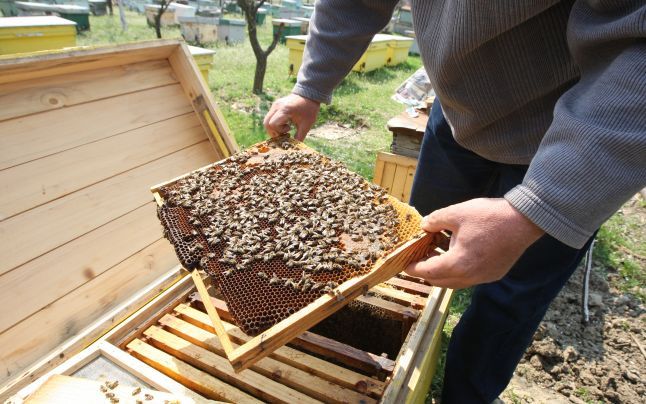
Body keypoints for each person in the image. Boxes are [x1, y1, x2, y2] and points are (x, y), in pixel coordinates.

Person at [264, 1, 646, 402]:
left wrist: (541, 204)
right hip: (454, 116)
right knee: (412, 252)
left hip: (565, 138)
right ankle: (387, 353)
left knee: (508, 301)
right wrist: (310, 86)